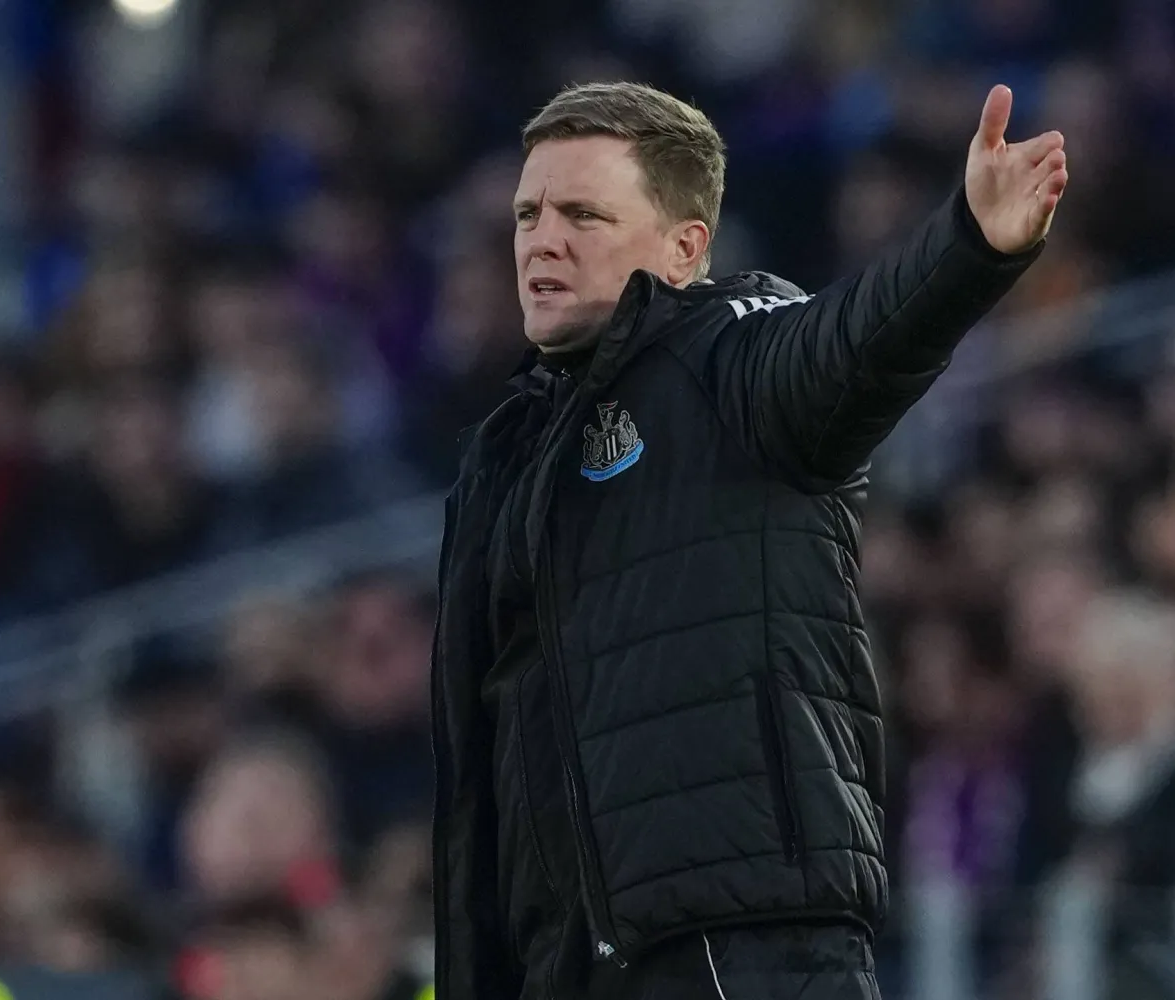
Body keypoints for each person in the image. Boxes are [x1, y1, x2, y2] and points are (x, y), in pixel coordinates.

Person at [431, 80, 1067, 999]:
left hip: (741, 951)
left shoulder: (728, 358)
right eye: (528, 214)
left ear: (685, 248)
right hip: (566, 972)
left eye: (583, 214)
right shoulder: (503, 458)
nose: (541, 239)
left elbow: (852, 343)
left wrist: (967, 244)